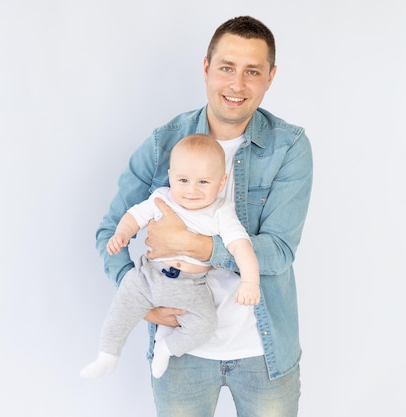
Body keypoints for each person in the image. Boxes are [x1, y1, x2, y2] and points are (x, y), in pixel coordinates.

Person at [94, 16, 312, 417]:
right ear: (207, 67)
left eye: (253, 71)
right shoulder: (164, 142)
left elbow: (279, 251)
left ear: (271, 77)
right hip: (180, 352)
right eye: (227, 67)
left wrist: (190, 244)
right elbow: (110, 229)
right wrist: (139, 299)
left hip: (264, 353)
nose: (237, 84)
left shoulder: (289, 146)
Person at [80, 134, 260, 380]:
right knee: (120, 311)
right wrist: (122, 234)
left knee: (206, 324)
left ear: (221, 182)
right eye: (183, 180)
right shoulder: (162, 198)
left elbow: (241, 246)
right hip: (148, 275)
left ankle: (167, 348)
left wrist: (250, 282)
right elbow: (134, 216)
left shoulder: (221, 210)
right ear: (171, 175)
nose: (191, 190)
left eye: (204, 182)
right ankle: (107, 356)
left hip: (191, 287)